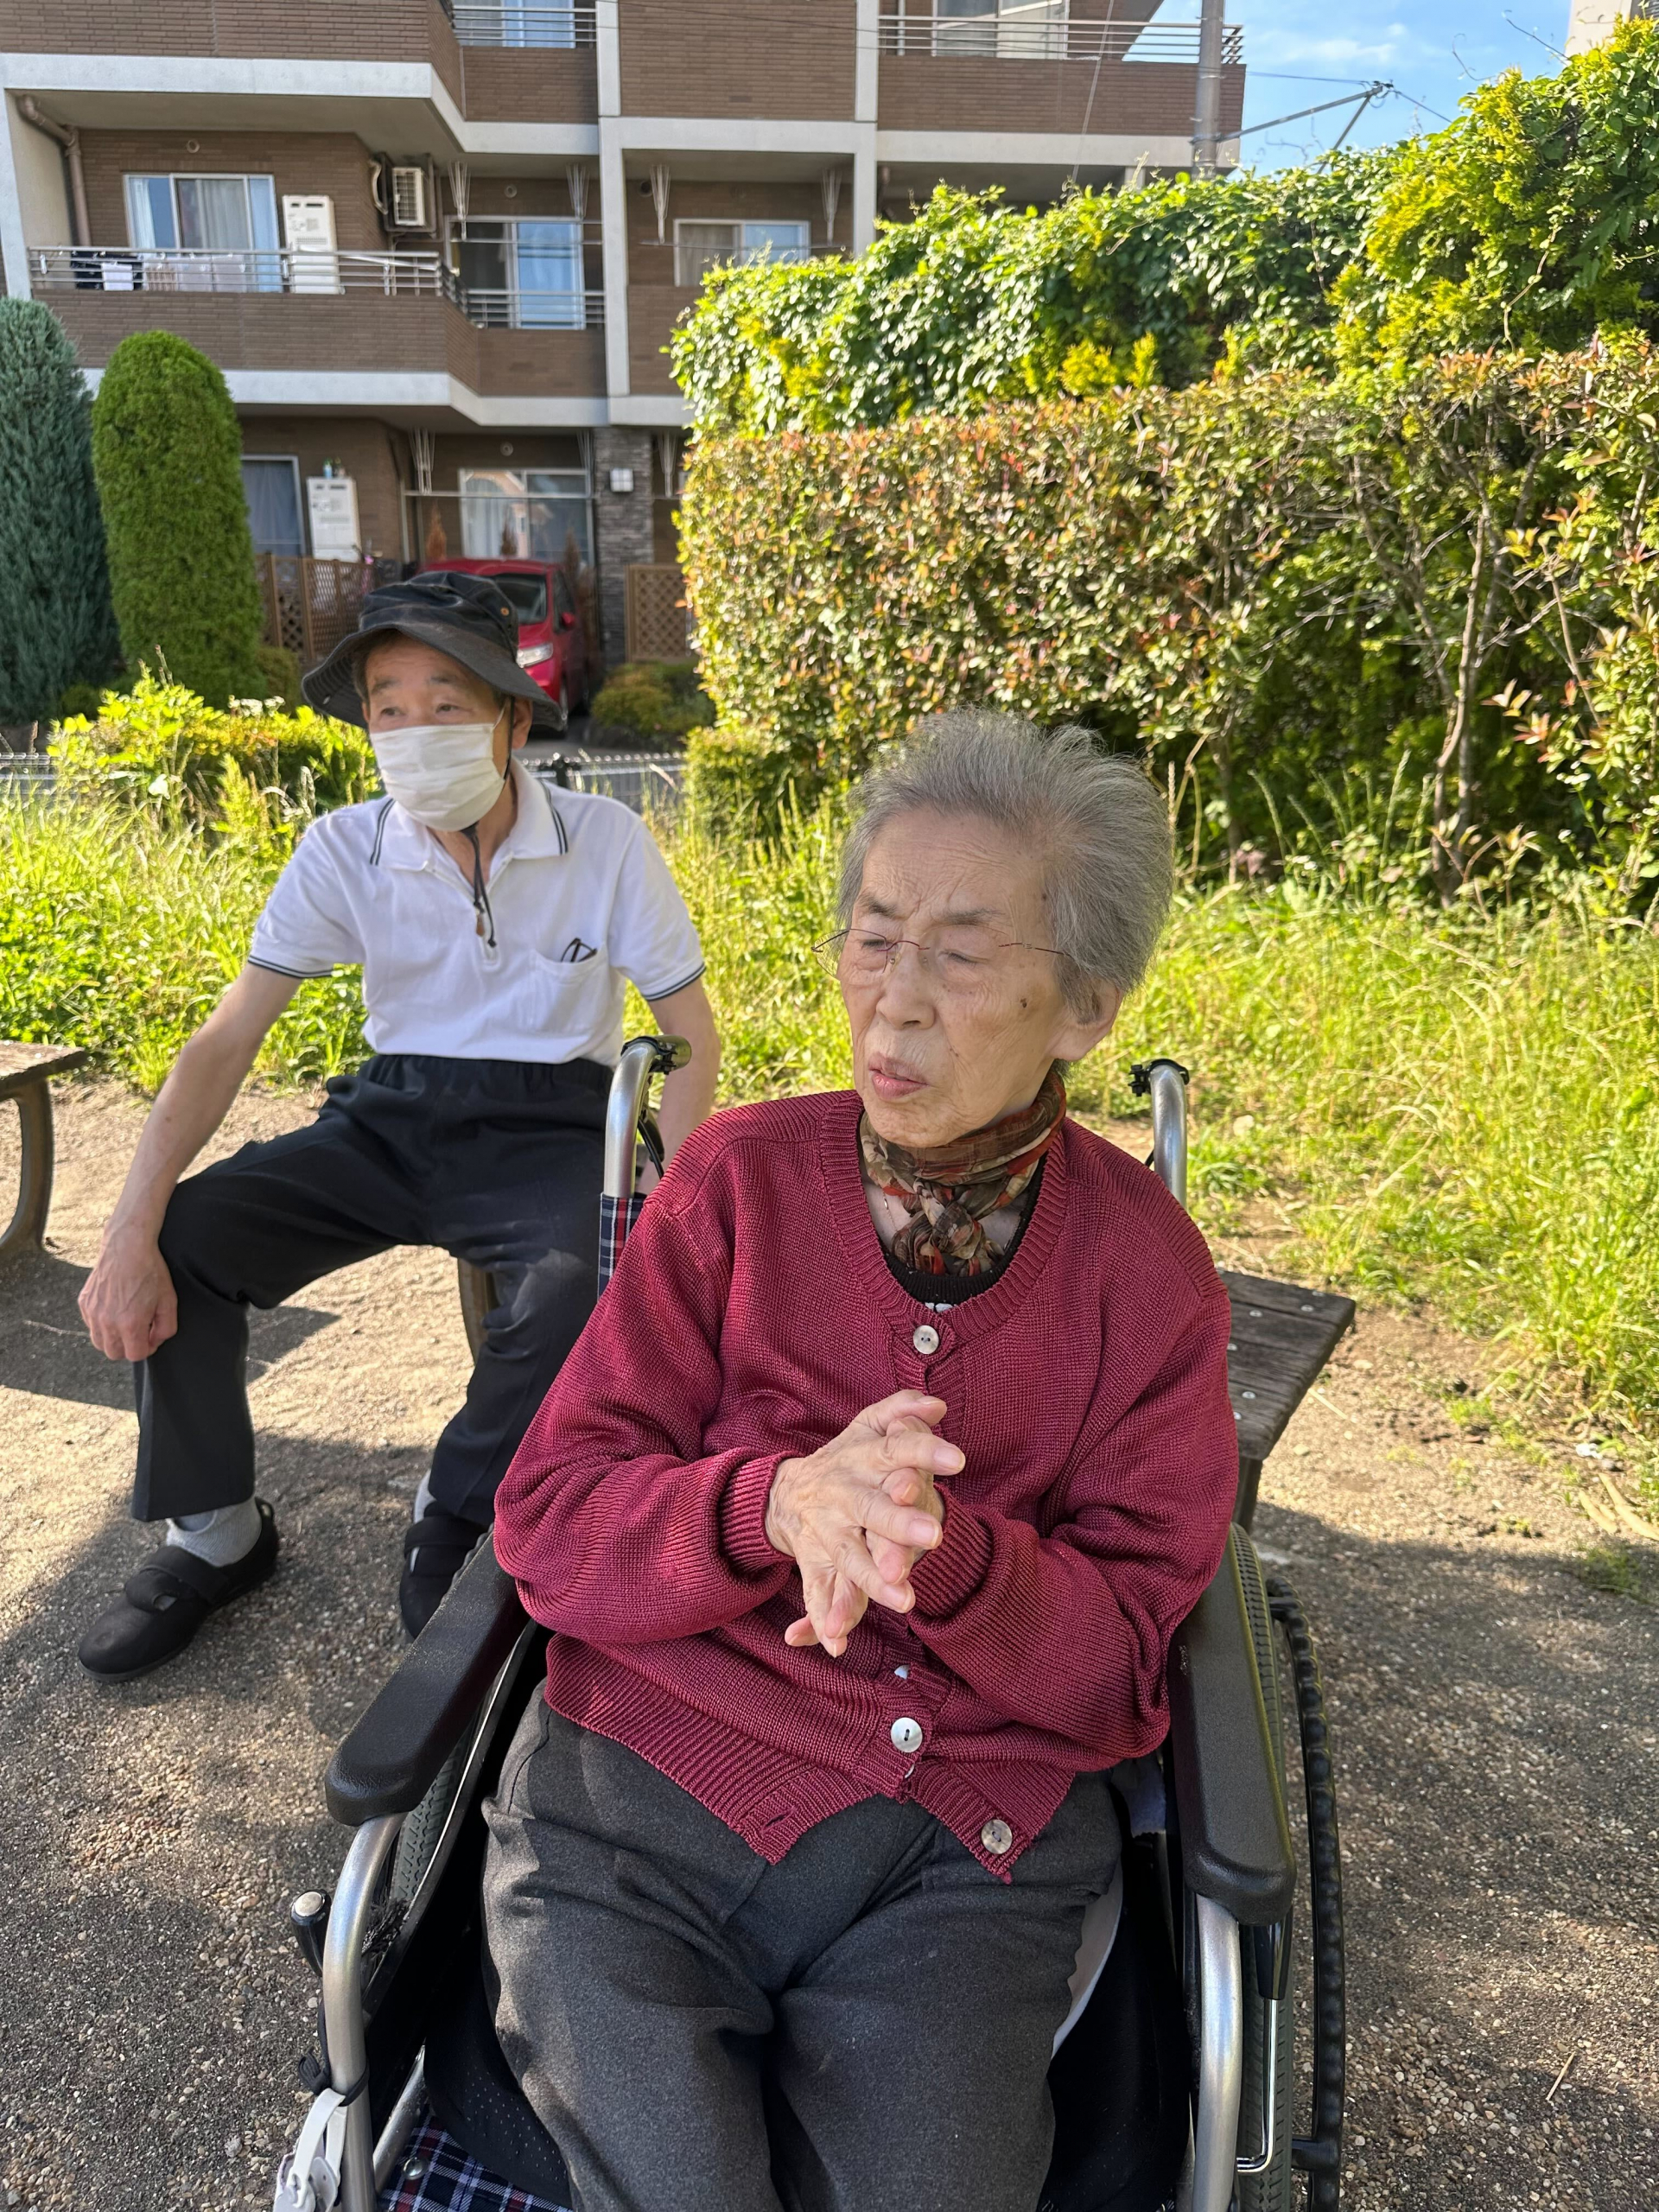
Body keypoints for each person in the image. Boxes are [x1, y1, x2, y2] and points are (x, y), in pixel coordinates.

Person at [481, 713, 1238, 2212]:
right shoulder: (735, 1184)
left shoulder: (1151, 1278)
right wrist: (775, 1502)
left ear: (1086, 1006)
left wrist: (939, 1552)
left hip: (962, 1852)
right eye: (873, 938)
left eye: (959, 954)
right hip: (638, 1802)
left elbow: (1120, 1673)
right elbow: (550, 1517)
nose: (894, 1001)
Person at [75, 574, 720, 1681]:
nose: (416, 732)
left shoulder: (605, 840)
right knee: (187, 1236)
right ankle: (217, 1532)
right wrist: (129, 1227)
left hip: (550, 1121)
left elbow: (689, 1033)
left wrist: (662, 1176)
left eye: (447, 703)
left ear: (514, 720)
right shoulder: (346, 848)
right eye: (389, 708)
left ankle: (457, 1504)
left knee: (583, 1282)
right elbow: (227, 1038)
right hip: (392, 1112)